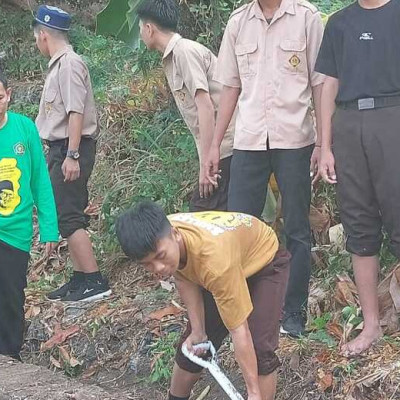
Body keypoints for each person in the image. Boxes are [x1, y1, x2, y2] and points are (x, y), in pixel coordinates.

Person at [206, 0, 325, 336]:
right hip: (249, 140)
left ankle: (293, 314)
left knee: (297, 228)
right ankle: (239, 315)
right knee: (237, 227)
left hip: (295, 139)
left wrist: (323, 143)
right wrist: (215, 144)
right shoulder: (238, 22)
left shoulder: (306, 17)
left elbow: (319, 84)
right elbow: (230, 87)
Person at [116, 202, 290, 400]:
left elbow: (239, 330)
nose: (158, 268)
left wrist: (253, 392)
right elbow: (184, 276)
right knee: (195, 344)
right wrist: (199, 331)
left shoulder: (215, 263)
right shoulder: (162, 233)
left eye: (161, 257)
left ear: (176, 234)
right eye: (147, 264)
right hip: (229, 259)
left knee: (260, 347)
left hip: (264, 263)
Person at [315, 0, 400, 356]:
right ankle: (371, 325)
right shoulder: (338, 23)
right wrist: (325, 145)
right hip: (348, 126)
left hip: (393, 118)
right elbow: (328, 86)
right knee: (359, 225)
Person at [33, 5, 111, 301]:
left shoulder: (69, 64)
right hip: (61, 148)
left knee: (68, 214)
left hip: (69, 148)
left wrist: (72, 155)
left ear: (43, 36)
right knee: (65, 212)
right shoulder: (60, 64)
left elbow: (75, 112)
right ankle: (80, 277)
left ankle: (94, 280)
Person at [137, 0, 235, 211]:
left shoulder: (184, 52)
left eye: (140, 29)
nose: (140, 35)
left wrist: (206, 165)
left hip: (226, 149)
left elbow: (205, 107)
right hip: (221, 150)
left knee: (201, 213)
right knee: (223, 213)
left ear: (149, 28)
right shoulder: (174, 56)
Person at [0, 71, 58, 359]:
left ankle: (10, 355)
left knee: (11, 294)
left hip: (15, 231)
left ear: (8, 94)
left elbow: (40, 182)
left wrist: (49, 228)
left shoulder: (24, 129)